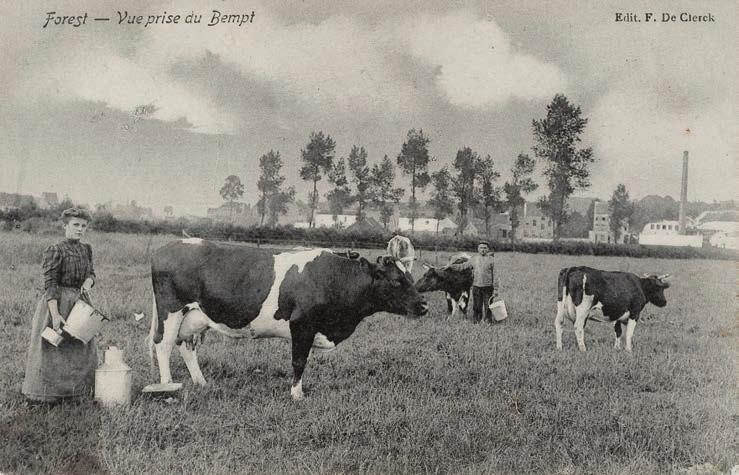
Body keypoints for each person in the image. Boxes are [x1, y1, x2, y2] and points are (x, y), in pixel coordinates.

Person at [22, 207, 97, 404]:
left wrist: (89, 282)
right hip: (57, 301)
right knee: (54, 347)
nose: (80, 229)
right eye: (75, 225)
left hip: (79, 303)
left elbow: (91, 273)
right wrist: (55, 315)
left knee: (80, 346)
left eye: (83, 226)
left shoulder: (86, 249)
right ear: (65, 226)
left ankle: (77, 393)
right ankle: (49, 395)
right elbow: (50, 284)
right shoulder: (55, 250)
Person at [451, 241, 497, 323]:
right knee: (477, 306)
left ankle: (488, 321)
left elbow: (496, 275)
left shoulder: (492, 260)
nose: (483, 250)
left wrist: (496, 289)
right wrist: (451, 266)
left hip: (488, 287)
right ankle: (477, 321)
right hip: (476, 286)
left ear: (488, 249)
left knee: (488, 305)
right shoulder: (474, 259)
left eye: (485, 248)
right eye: (481, 248)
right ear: (478, 249)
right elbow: (463, 266)